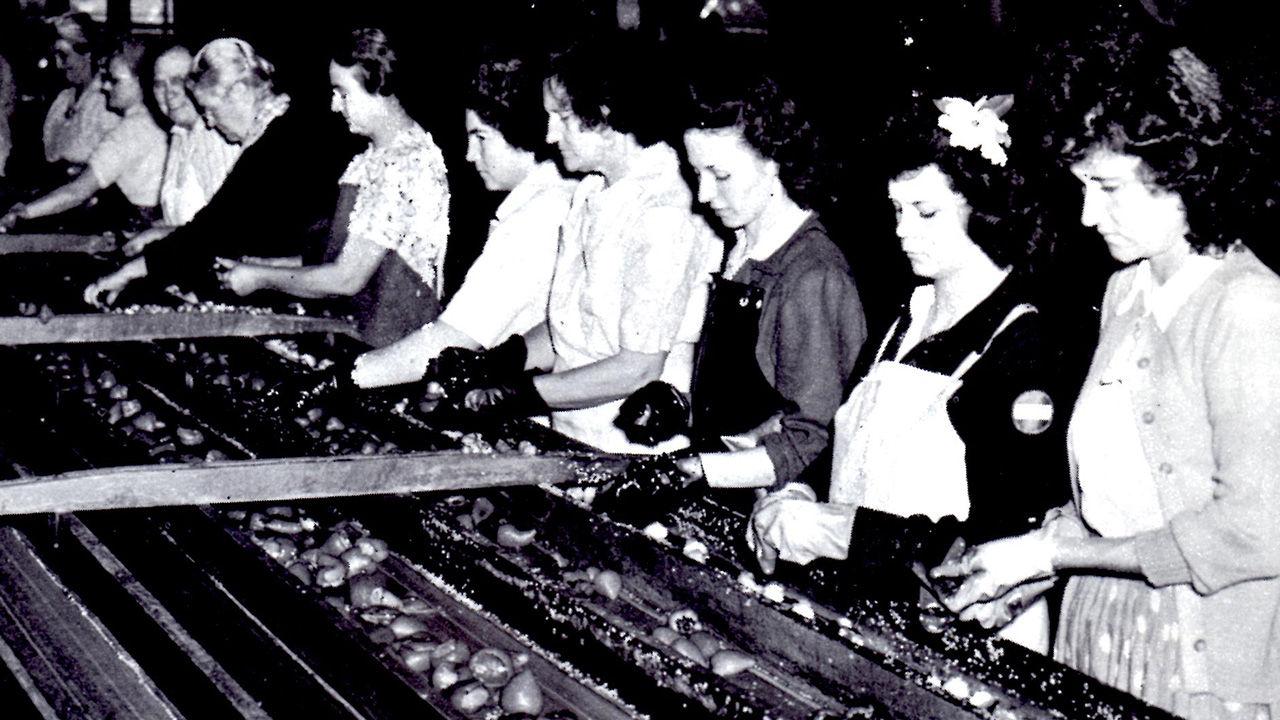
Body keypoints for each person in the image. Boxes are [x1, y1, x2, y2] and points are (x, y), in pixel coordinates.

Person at [935, 46, 1280, 717]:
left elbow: (1256, 531)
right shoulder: (1125, 290)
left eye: (1109, 188)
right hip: (1099, 620)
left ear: (1183, 174)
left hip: (1195, 647)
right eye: (1082, 188)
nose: (1089, 216)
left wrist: (1054, 551)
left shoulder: (1249, 309)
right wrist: (1031, 571)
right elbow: (1114, 494)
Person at [749, 94, 1072, 653]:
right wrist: (796, 489)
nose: (902, 230)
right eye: (895, 210)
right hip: (874, 609)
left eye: (925, 212)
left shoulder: (1024, 345)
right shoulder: (909, 312)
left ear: (985, 206)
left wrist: (831, 528)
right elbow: (855, 436)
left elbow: (995, 537)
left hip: (967, 633)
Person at [427, 40, 721, 455]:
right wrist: (501, 360)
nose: (549, 134)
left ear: (603, 116)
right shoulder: (593, 191)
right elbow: (574, 326)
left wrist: (515, 394)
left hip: (629, 451)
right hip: (570, 434)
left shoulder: (664, 212)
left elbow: (636, 369)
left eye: (561, 118)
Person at [611, 70, 865, 503]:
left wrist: (694, 469)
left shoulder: (811, 276)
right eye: (697, 174)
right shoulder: (742, 247)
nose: (704, 195)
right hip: (723, 493)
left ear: (775, 160)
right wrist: (680, 405)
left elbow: (809, 439)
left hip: (776, 513)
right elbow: (750, 402)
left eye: (720, 175)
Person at [216, 28, 449, 347]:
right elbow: (336, 256)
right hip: (360, 332)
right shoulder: (369, 160)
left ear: (378, 87)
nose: (334, 106)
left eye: (342, 93)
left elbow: (347, 277)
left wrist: (259, 277)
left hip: (396, 343)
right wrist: (258, 266)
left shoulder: (407, 164)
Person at [351, 55, 575, 385]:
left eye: (482, 137)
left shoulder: (536, 217)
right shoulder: (558, 196)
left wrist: (349, 376)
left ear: (520, 131)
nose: (471, 154)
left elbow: (457, 335)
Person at [84, 37, 339, 307]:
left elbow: (213, 230)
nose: (208, 120)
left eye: (210, 109)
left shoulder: (278, 144)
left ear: (240, 91)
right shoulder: (278, 133)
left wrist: (129, 272)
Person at [1, 39, 166, 234]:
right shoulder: (148, 122)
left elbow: (78, 191)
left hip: (137, 227)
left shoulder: (134, 130)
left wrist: (24, 213)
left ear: (141, 82)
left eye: (114, 80)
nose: (104, 87)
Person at [119, 44, 241, 257]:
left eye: (178, 81)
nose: (169, 93)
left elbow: (233, 231)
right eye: (159, 85)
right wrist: (152, 228)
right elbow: (184, 218)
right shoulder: (180, 134)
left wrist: (161, 234)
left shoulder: (218, 139)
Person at [41, 13, 119, 168]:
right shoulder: (63, 99)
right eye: (54, 56)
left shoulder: (107, 101)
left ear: (88, 53)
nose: (58, 64)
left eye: (63, 56)